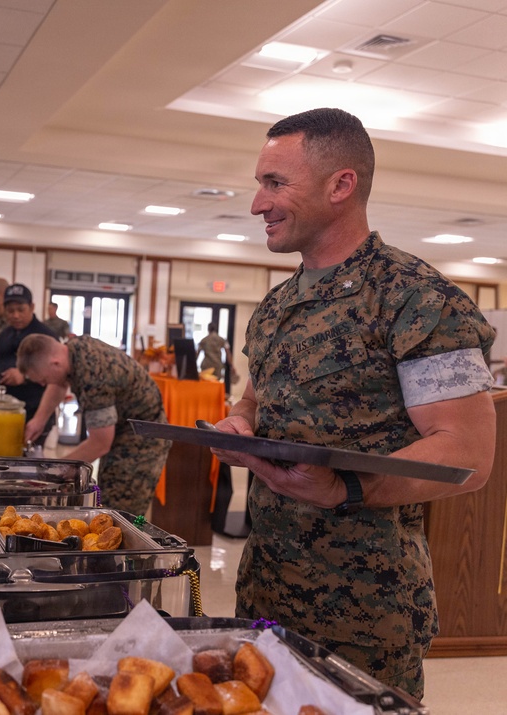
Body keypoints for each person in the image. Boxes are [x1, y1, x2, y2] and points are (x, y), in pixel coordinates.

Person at [209, 107, 496, 699]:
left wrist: (346, 488)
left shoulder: (418, 299)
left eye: (275, 183)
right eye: (260, 184)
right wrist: (239, 424)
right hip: (266, 590)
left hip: (364, 612)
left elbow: (468, 454)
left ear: (341, 185)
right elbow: (254, 398)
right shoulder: (276, 305)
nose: (258, 204)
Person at [18, 333, 170, 516]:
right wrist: (39, 420)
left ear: (55, 363)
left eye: (43, 380)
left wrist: (57, 470)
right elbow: (58, 383)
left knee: (119, 510)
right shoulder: (71, 350)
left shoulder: (94, 377)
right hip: (122, 426)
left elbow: (100, 443)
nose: (44, 384)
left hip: (143, 437)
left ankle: (133, 533)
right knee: (105, 495)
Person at [0, 284, 59, 443]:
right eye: (10, 311)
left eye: (21, 310)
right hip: (7, 410)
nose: (15, 315)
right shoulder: (5, 334)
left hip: (35, 410)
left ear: (32, 307)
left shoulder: (45, 336)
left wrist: (24, 376)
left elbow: (58, 376)